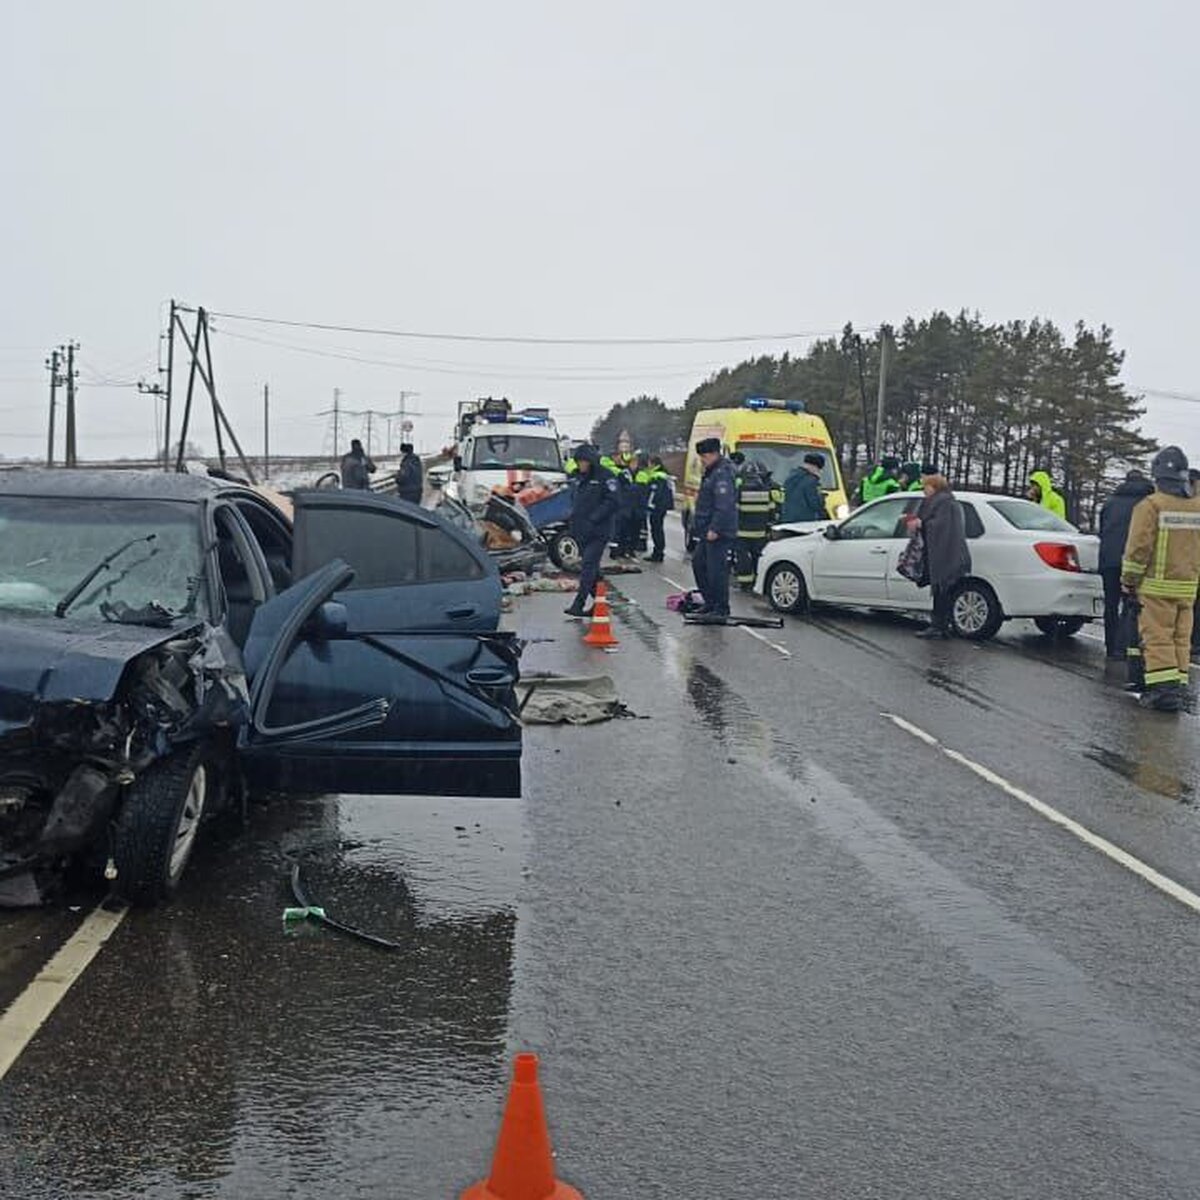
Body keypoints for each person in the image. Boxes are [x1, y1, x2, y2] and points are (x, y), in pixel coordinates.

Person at [1120, 445, 1200, 711]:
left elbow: (1138, 549)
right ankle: (1177, 686)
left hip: (1155, 587)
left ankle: (1163, 692)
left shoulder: (1150, 506)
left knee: (1158, 638)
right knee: (1180, 638)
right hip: (1187, 588)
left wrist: (1129, 580)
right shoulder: (1197, 507)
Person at [908, 465, 971, 639]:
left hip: (946, 554)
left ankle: (939, 626)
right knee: (940, 591)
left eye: (926, 487)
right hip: (944, 553)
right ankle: (940, 625)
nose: (924, 491)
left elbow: (941, 526)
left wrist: (922, 524)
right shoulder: (943, 500)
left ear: (933, 487)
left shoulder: (944, 502)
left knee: (943, 591)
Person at [1097, 469, 1153, 659]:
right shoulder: (1148, 504)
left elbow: (1103, 530)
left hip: (1109, 560)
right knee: (1131, 605)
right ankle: (1124, 647)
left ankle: (1111, 646)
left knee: (1111, 605)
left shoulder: (1110, 502)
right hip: (1133, 560)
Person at [564, 444, 620, 618]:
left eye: (584, 462)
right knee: (592, 570)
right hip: (581, 530)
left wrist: (594, 518)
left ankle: (578, 603)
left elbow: (613, 501)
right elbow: (575, 501)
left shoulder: (606, 477)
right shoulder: (579, 478)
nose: (581, 465)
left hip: (599, 531)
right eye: (578, 462)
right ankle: (600, 602)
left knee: (588, 566)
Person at [690, 436, 737, 621]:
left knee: (716, 570)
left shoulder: (722, 473)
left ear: (714, 454)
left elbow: (724, 504)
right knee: (699, 564)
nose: (702, 460)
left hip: (718, 531)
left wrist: (715, 528)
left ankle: (721, 607)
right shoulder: (711, 471)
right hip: (707, 529)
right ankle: (710, 602)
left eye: (704, 456)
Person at [643, 455, 673, 562]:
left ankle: (658, 553)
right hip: (662, 506)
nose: (648, 466)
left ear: (654, 464)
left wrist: (650, 505)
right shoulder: (663, 475)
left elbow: (655, 493)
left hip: (657, 507)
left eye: (650, 463)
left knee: (656, 529)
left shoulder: (657, 476)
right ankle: (658, 551)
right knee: (658, 528)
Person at [781, 453, 826, 523]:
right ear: (814, 466)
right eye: (819, 469)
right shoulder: (812, 481)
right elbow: (816, 504)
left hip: (787, 519)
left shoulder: (791, 477)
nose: (819, 471)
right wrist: (822, 497)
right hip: (805, 522)